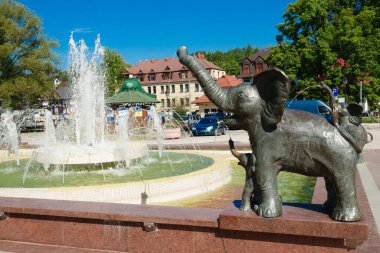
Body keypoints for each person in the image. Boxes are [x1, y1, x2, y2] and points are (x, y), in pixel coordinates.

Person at [229, 138, 256, 211]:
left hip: (249, 184)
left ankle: (246, 206)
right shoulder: (263, 159)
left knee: (247, 194)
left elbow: (234, 152)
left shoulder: (246, 158)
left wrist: (231, 145)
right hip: (261, 185)